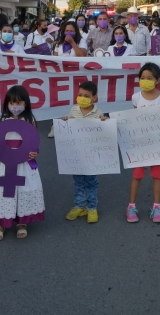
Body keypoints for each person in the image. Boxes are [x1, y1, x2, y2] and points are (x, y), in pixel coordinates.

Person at [0, 85, 44, 240]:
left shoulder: (30, 121)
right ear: (7, 104)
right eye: (12, 103)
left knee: (22, 190)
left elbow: (34, 143)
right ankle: (1, 222)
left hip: (23, 163)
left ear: (25, 103)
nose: (15, 106)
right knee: (2, 191)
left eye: (18, 103)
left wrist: (35, 153)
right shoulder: (1, 120)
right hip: (2, 163)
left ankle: (22, 222)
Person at [127, 63, 160, 224]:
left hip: (158, 144)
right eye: (142, 78)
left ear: (157, 80)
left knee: (157, 175)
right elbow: (135, 117)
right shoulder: (136, 97)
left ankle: (156, 206)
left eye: (149, 78)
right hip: (141, 144)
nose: (145, 81)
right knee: (137, 175)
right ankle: (131, 206)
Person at [60, 81, 107, 224]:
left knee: (91, 182)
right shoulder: (74, 110)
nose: (82, 98)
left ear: (94, 98)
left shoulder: (98, 113)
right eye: (80, 95)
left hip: (91, 156)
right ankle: (79, 205)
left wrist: (105, 122)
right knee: (78, 181)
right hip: (76, 155)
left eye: (86, 96)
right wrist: (66, 121)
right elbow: (70, 130)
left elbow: (104, 132)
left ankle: (92, 207)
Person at [48, 22, 88, 138]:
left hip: (77, 77)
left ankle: (74, 125)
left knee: (74, 101)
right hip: (61, 77)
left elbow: (82, 55)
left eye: (72, 31)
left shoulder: (81, 42)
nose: (69, 33)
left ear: (76, 32)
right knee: (59, 101)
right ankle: (56, 126)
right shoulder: (58, 44)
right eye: (67, 31)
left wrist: (72, 43)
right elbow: (54, 59)